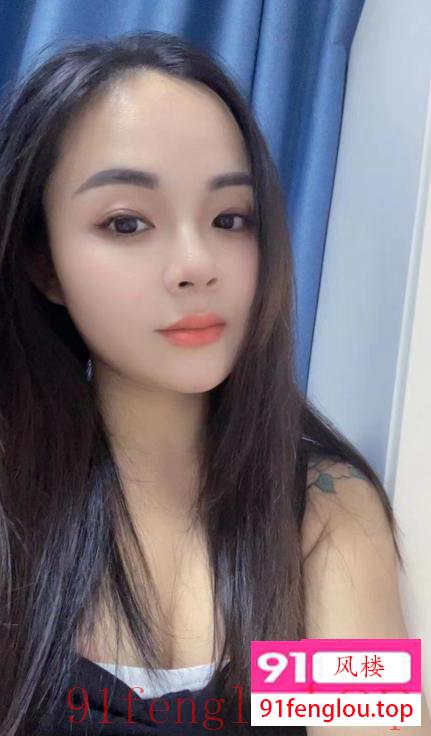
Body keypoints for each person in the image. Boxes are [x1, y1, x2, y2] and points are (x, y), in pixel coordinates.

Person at [0, 30, 428, 736]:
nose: (197, 264)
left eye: (231, 219)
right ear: (45, 266)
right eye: (127, 223)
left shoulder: (318, 512)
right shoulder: (14, 507)